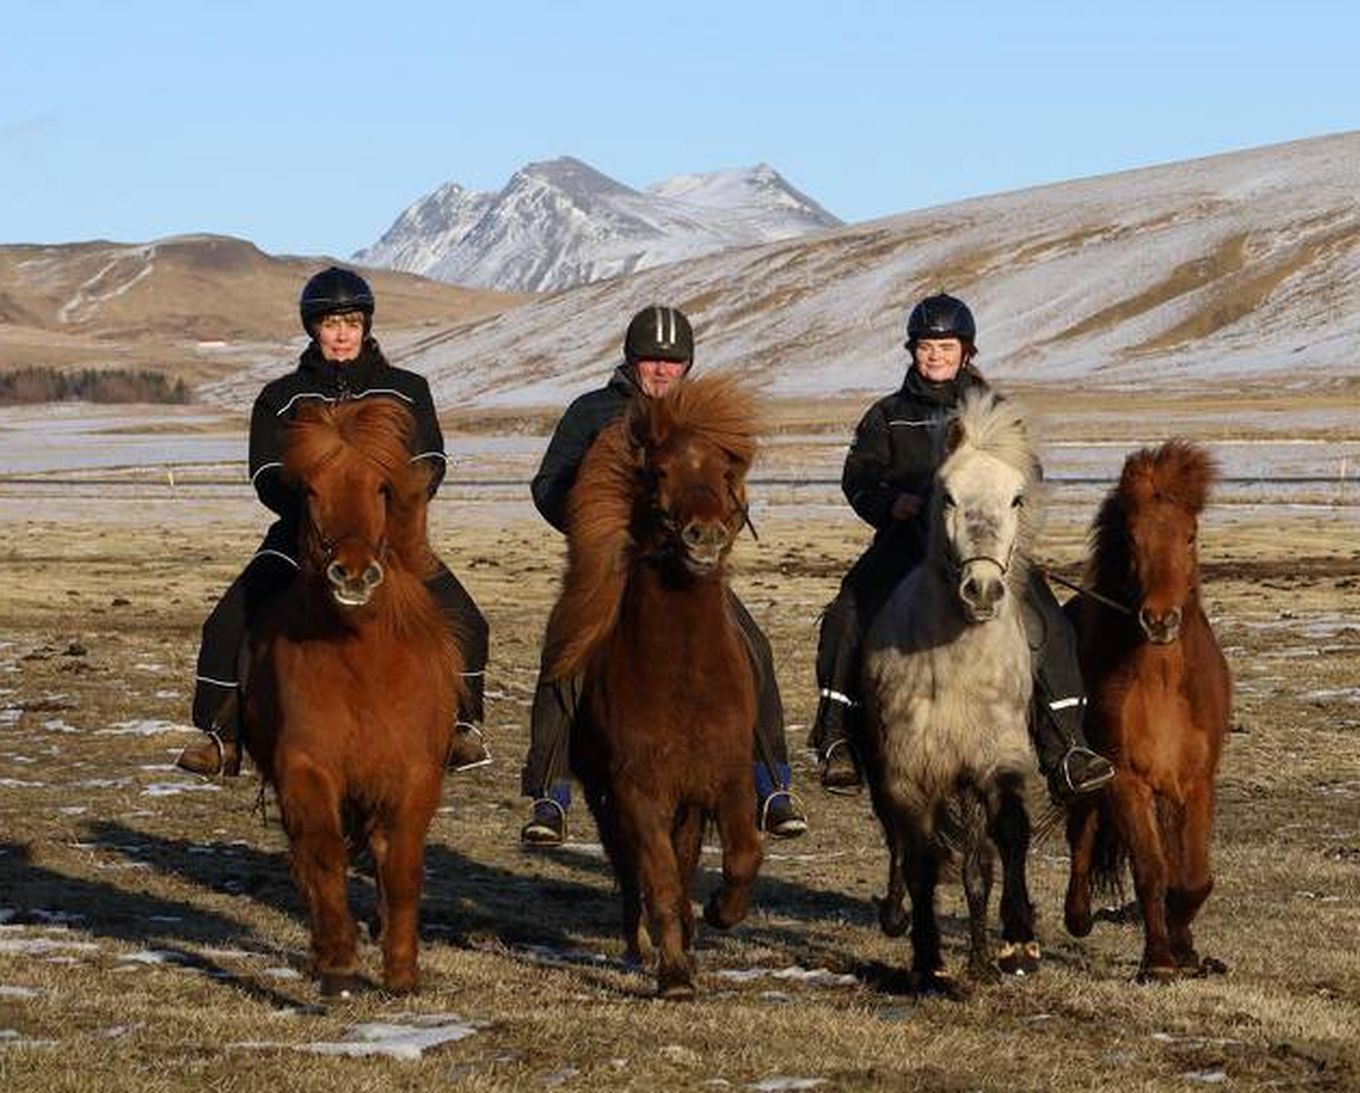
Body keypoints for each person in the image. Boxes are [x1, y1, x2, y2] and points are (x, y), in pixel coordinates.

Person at [179, 267, 491, 776]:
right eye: (330, 323)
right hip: (305, 536)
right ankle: (220, 735)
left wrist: (391, 514)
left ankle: (464, 724)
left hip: (391, 538)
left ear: (366, 325)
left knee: (468, 621)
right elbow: (264, 474)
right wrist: (316, 506)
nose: (342, 333)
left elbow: (430, 462)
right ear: (313, 329)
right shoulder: (281, 397)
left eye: (350, 321)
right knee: (226, 623)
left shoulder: (408, 390)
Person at [518, 304, 807, 847]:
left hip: (687, 568)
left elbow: (727, 487)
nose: (661, 371)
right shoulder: (592, 412)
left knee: (755, 647)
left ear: (687, 366)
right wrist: (591, 526)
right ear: (631, 360)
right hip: (611, 567)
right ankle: (549, 794)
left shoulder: (703, 419)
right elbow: (548, 483)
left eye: (672, 363)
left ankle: (773, 785)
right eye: (651, 360)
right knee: (567, 655)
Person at [808, 292, 1115, 799]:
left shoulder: (997, 414)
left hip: (982, 551)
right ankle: (836, 733)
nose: (935, 356)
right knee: (848, 610)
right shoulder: (888, 415)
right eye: (926, 346)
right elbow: (858, 478)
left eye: (946, 347)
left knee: (1049, 623)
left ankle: (1067, 746)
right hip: (908, 544)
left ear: (966, 353)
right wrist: (892, 504)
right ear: (912, 351)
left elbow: (1029, 475)